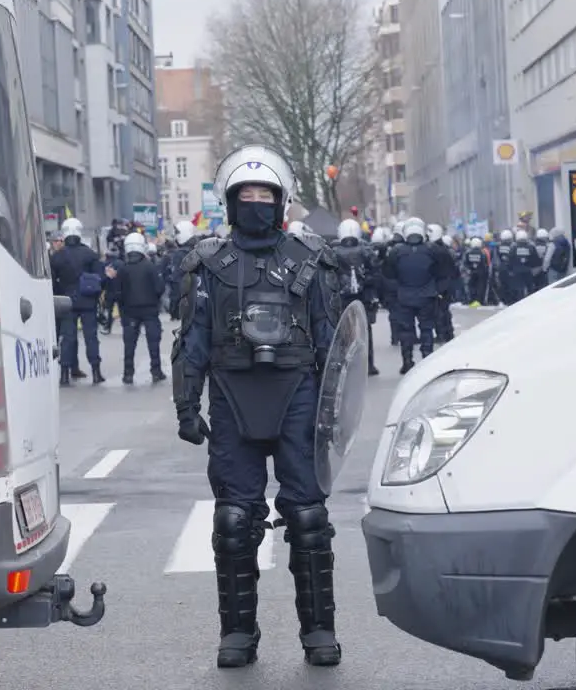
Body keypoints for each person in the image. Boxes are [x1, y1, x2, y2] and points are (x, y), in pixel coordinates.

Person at [172, 144, 344, 669]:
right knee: (233, 519)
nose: (255, 201)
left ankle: (319, 632)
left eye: (264, 194)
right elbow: (192, 338)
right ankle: (238, 634)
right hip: (231, 397)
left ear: (281, 199)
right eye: (244, 194)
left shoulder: (312, 260)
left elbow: (334, 343)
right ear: (229, 200)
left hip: (298, 396)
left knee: (309, 517)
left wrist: (335, 411)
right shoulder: (207, 263)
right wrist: (186, 404)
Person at [50, 217, 108, 386]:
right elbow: (101, 278)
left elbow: (52, 283)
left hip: (66, 302)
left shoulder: (57, 257)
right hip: (88, 301)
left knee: (67, 338)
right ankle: (96, 372)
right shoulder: (90, 254)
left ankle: (64, 374)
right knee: (91, 337)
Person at [387, 218, 440, 374]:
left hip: (405, 297)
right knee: (427, 329)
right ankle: (427, 359)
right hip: (426, 296)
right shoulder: (432, 250)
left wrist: (396, 291)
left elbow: (388, 275)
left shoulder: (396, 251)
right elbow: (442, 271)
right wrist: (437, 290)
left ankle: (407, 361)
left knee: (406, 331)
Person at [116, 232, 167, 384]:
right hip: (150, 310)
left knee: (130, 344)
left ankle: (128, 373)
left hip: (130, 311)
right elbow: (159, 288)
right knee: (153, 342)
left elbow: (118, 292)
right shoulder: (150, 266)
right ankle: (156, 371)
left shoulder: (123, 269)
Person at [333, 218, 379, 375]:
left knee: (344, 331)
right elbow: (375, 273)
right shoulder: (366, 251)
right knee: (365, 330)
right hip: (363, 295)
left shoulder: (334, 252)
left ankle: (346, 364)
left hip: (342, 296)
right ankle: (369, 364)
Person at [425, 223, 455, 344]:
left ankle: (443, 334)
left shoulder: (436, 250)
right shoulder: (442, 249)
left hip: (441, 284)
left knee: (440, 311)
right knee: (443, 311)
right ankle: (446, 333)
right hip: (444, 284)